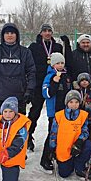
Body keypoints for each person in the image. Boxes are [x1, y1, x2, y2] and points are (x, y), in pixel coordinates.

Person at [0, 23, 36, 121]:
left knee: (18, 126)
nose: (10, 35)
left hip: (19, 95)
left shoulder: (25, 52)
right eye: (7, 33)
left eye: (12, 33)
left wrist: (30, 90)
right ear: (3, 35)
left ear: (16, 35)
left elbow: (31, 72)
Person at [27, 23, 63, 151]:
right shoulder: (34, 47)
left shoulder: (57, 46)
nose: (47, 33)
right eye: (45, 31)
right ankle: (28, 136)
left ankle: (52, 140)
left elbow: (63, 63)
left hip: (54, 83)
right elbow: (29, 65)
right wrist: (29, 84)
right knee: (35, 111)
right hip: (38, 84)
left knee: (53, 113)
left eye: (49, 31)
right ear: (41, 33)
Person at [48, 90, 91, 179]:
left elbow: (85, 131)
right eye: (71, 102)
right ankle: (67, 162)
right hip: (64, 148)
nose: (74, 104)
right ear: (67, 103)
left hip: (77, 147)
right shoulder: (59, 115)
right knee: (64, 174)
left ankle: (79, 166)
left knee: (88, 144)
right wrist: (52, 148)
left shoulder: (83, 115)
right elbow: (53, 133)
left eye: (76, 102)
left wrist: (79, 142)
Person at [41, 52, 71, 172]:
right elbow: (46, 94)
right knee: (52, 135)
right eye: (57, 63)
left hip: (65, 112)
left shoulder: (66, 75)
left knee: (62, 135)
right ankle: (45, 158)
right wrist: (54, 82)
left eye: (62, 63)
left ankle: (57, 154)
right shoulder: (49, 76)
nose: (60, 65)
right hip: (54, 113)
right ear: (53, 64)